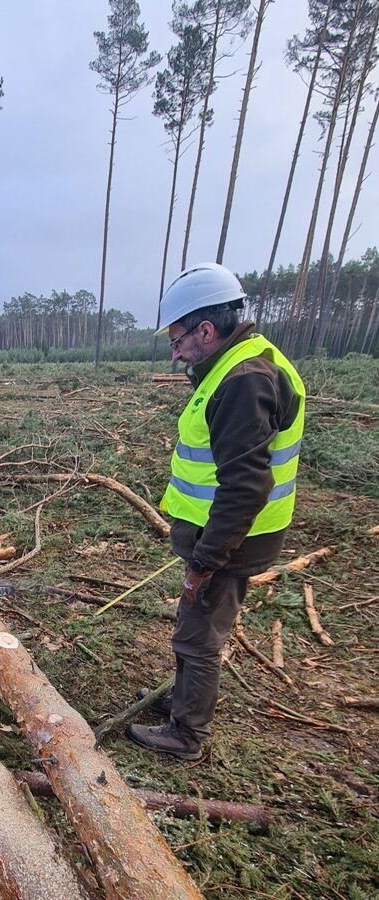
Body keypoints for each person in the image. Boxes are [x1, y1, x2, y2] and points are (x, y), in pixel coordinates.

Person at [128, 262, 305, 760]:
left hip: (230, 539)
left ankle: (187, 734)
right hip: (225, 535)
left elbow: (245, 485)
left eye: (178, 339)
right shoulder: (238, 365)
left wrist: (206, 559)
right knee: (194, 621)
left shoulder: (244, 380)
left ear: (206, 330)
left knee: (199, 633)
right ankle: (185, 701)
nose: (175, 351)